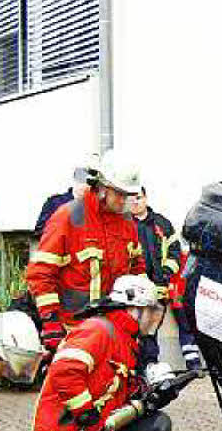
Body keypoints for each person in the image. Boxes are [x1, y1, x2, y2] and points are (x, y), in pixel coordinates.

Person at [31, 274, 174, 431]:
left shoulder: (124, 338)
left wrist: (151, 394)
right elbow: (64, 374)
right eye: (150, 311)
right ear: (134, 309)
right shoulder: (98, 330)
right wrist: (90, 421)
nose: (154, 318)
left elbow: (114, 389)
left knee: (157, 425)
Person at [26, 150, 146, 353]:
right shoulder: (68, 217)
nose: (124, 201)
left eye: (129, 195)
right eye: (120, 194)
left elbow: (136, 268)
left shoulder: (126, 223)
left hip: (114, 330)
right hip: (74, 330)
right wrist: (51, 321)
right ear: (102, 187)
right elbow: (41, 274)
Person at [128, 187, 203, 371]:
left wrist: (165, 274)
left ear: (146, 198)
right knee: (130, 329)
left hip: (158, 287)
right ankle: (134, 370)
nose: (135, 202)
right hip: (132, 289)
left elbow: (174, 251)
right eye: (131, 199)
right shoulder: (123, 224)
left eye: (138, 198)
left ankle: (150, 366)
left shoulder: (162, 224)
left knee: (150, 331)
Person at [31, 162, 95, 240]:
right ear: (75, 181)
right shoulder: (55, 203)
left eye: (89, 184)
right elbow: (40, 230)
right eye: (82, 182)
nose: (85, 186)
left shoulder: (94, 206)